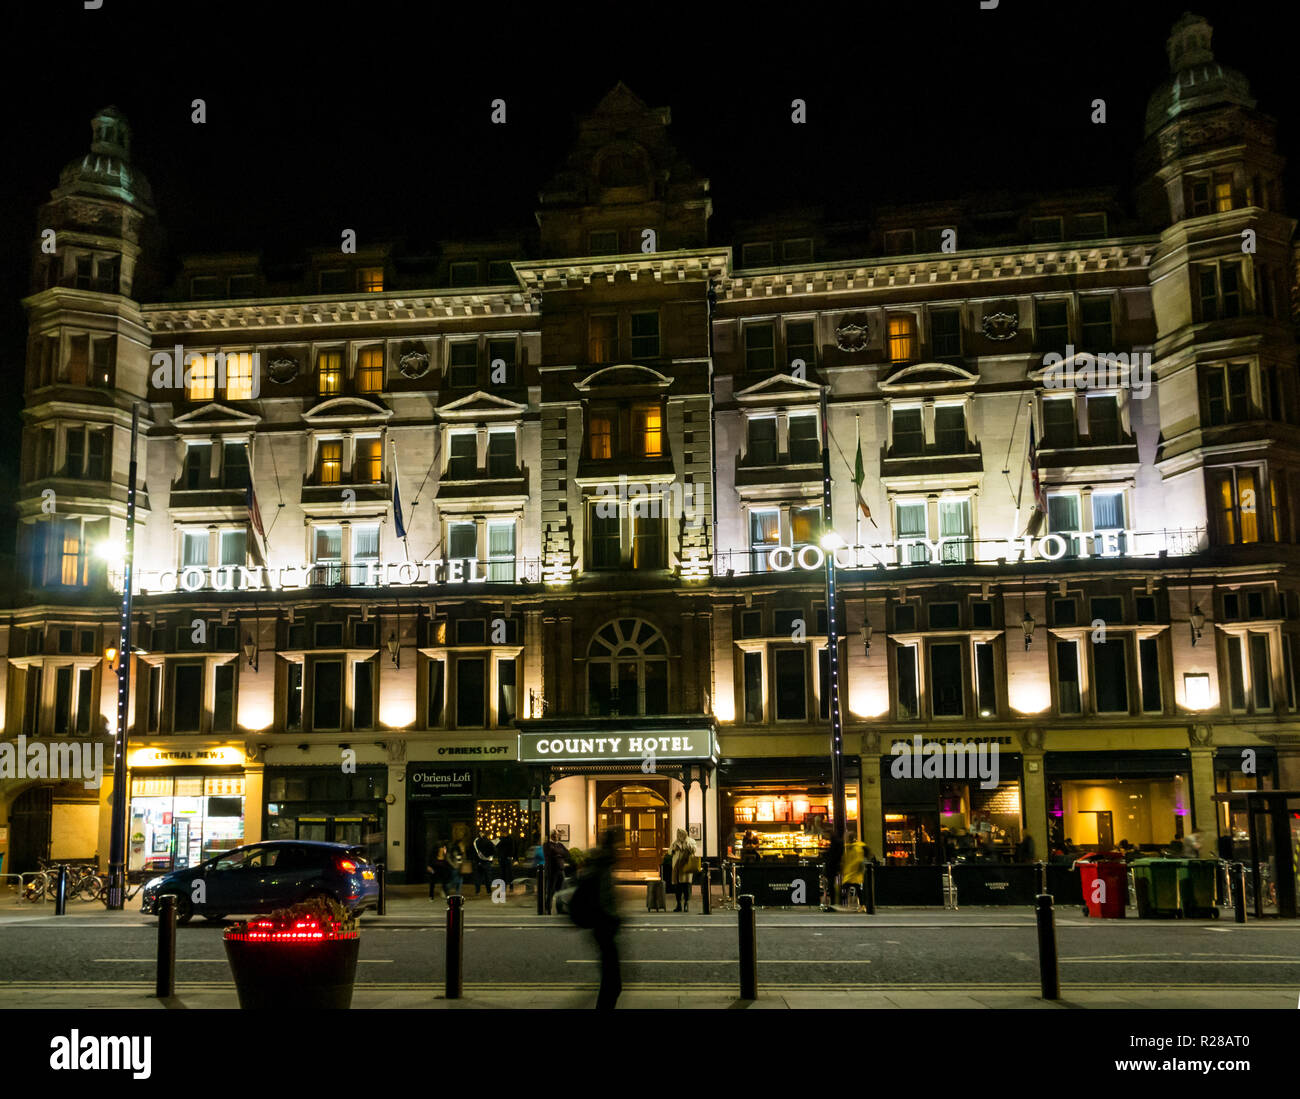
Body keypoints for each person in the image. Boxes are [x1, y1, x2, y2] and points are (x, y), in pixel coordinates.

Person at [587, 827, 623, 1009]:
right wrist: (614, 918)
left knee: (611, 982)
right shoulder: (604, 863)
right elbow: (604, 898)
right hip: (604, 928)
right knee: (613, 984)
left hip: (602, 927)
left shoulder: (601, 861)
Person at [669, 828, 697, 912]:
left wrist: (687, 845)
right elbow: (669, 851)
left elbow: (694, 850)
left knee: (686, 886)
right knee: (677, 887)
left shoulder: (690, 841)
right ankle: (678, 904)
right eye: (678, 834)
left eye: (680, 834)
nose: (679, 836)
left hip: (686, 867)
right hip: (677, 867)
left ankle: (686, 903)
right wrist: (673, 849)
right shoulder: (675, 842)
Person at [542, 829, 569, 913]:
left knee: (561, 891)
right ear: (552, 835)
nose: (558, 836)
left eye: (558, 835)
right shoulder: (547, 845)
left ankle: (559, 908)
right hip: (552, 871)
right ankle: (548, 908)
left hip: (561, 870)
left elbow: (567, 853)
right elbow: (551, 853)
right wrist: (560, 854)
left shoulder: (560, 845)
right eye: (556, 835)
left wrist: (558, 854)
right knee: (551, 890)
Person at [841, 835, 866, 908]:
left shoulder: (851, 848)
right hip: (854, 873)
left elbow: (848, 860)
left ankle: (843, 903)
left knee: (845, 888)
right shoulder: (856, 847)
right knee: (857, 889)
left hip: (851, 872)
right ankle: (862, 904)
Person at [822, 828, 843, 910]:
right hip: (834, 866)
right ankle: (834, 902)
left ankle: (833, 902)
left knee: (831, 885)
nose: (825, 837)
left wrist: (825, 855)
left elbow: (833, 855)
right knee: (831, 884)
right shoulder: (837, 842)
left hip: (832, 866)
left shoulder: (835, 842)